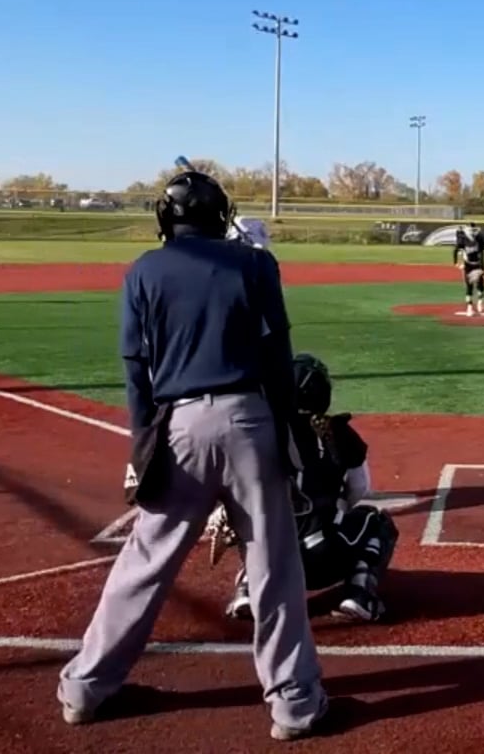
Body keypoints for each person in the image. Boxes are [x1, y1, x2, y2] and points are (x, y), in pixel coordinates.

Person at [56, 170, 333, 740]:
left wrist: (143, 442)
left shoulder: (143, 270)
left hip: (178, 426)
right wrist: (291, 430)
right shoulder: (255, 264)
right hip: (250, 421)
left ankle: (86, 687)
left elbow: (136, 368)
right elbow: (277, 356)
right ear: (220, 214)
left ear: (167, 217)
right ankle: (294, 705)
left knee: (145, 560)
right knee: (274, 567)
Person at [220, 353, 399, 624]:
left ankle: (248, 588)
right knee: (377, 522)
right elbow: (359, 489)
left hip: (270, 559)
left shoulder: (260, 432)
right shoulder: (339, 432)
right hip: (322, 558)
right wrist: (332, 505)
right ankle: (360, 593)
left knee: (250, 520)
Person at [454, 222, 484, 317]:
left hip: (477, 264)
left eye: (474, 230)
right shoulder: (463, 239)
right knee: (469, 286)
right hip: (468, 265)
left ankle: (480, 302)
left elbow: (482, 254)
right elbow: (456, 250)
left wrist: (482, 267)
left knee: (480, 286)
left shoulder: (479, 239)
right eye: (471, 230)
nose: (472, 232)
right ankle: (469, 307)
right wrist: (456, 262)